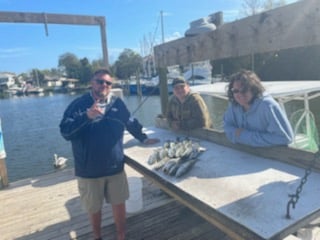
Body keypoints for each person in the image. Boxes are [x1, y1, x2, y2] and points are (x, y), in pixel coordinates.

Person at [59, 68, 159, 240]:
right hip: (89, 170)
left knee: (119, 204)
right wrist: (86, 116)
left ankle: (121, 236)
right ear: (92, 83)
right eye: (100, 81)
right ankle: (97, 237)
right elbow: (66, 132)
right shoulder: (78, 105)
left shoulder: (117, 104)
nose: (104, 85)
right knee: (94, 208)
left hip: (115, 167)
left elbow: (130, 122)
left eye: (108, 82)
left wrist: (143, 138)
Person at [223, 69, 294, 147]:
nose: (240, 94)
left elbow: (285, 138)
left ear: (254, 89)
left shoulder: (268, 106)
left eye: (244, 90)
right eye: (235, 91)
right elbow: (227, 127)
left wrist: (244, 135)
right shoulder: (234, 105)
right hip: (242, 154)